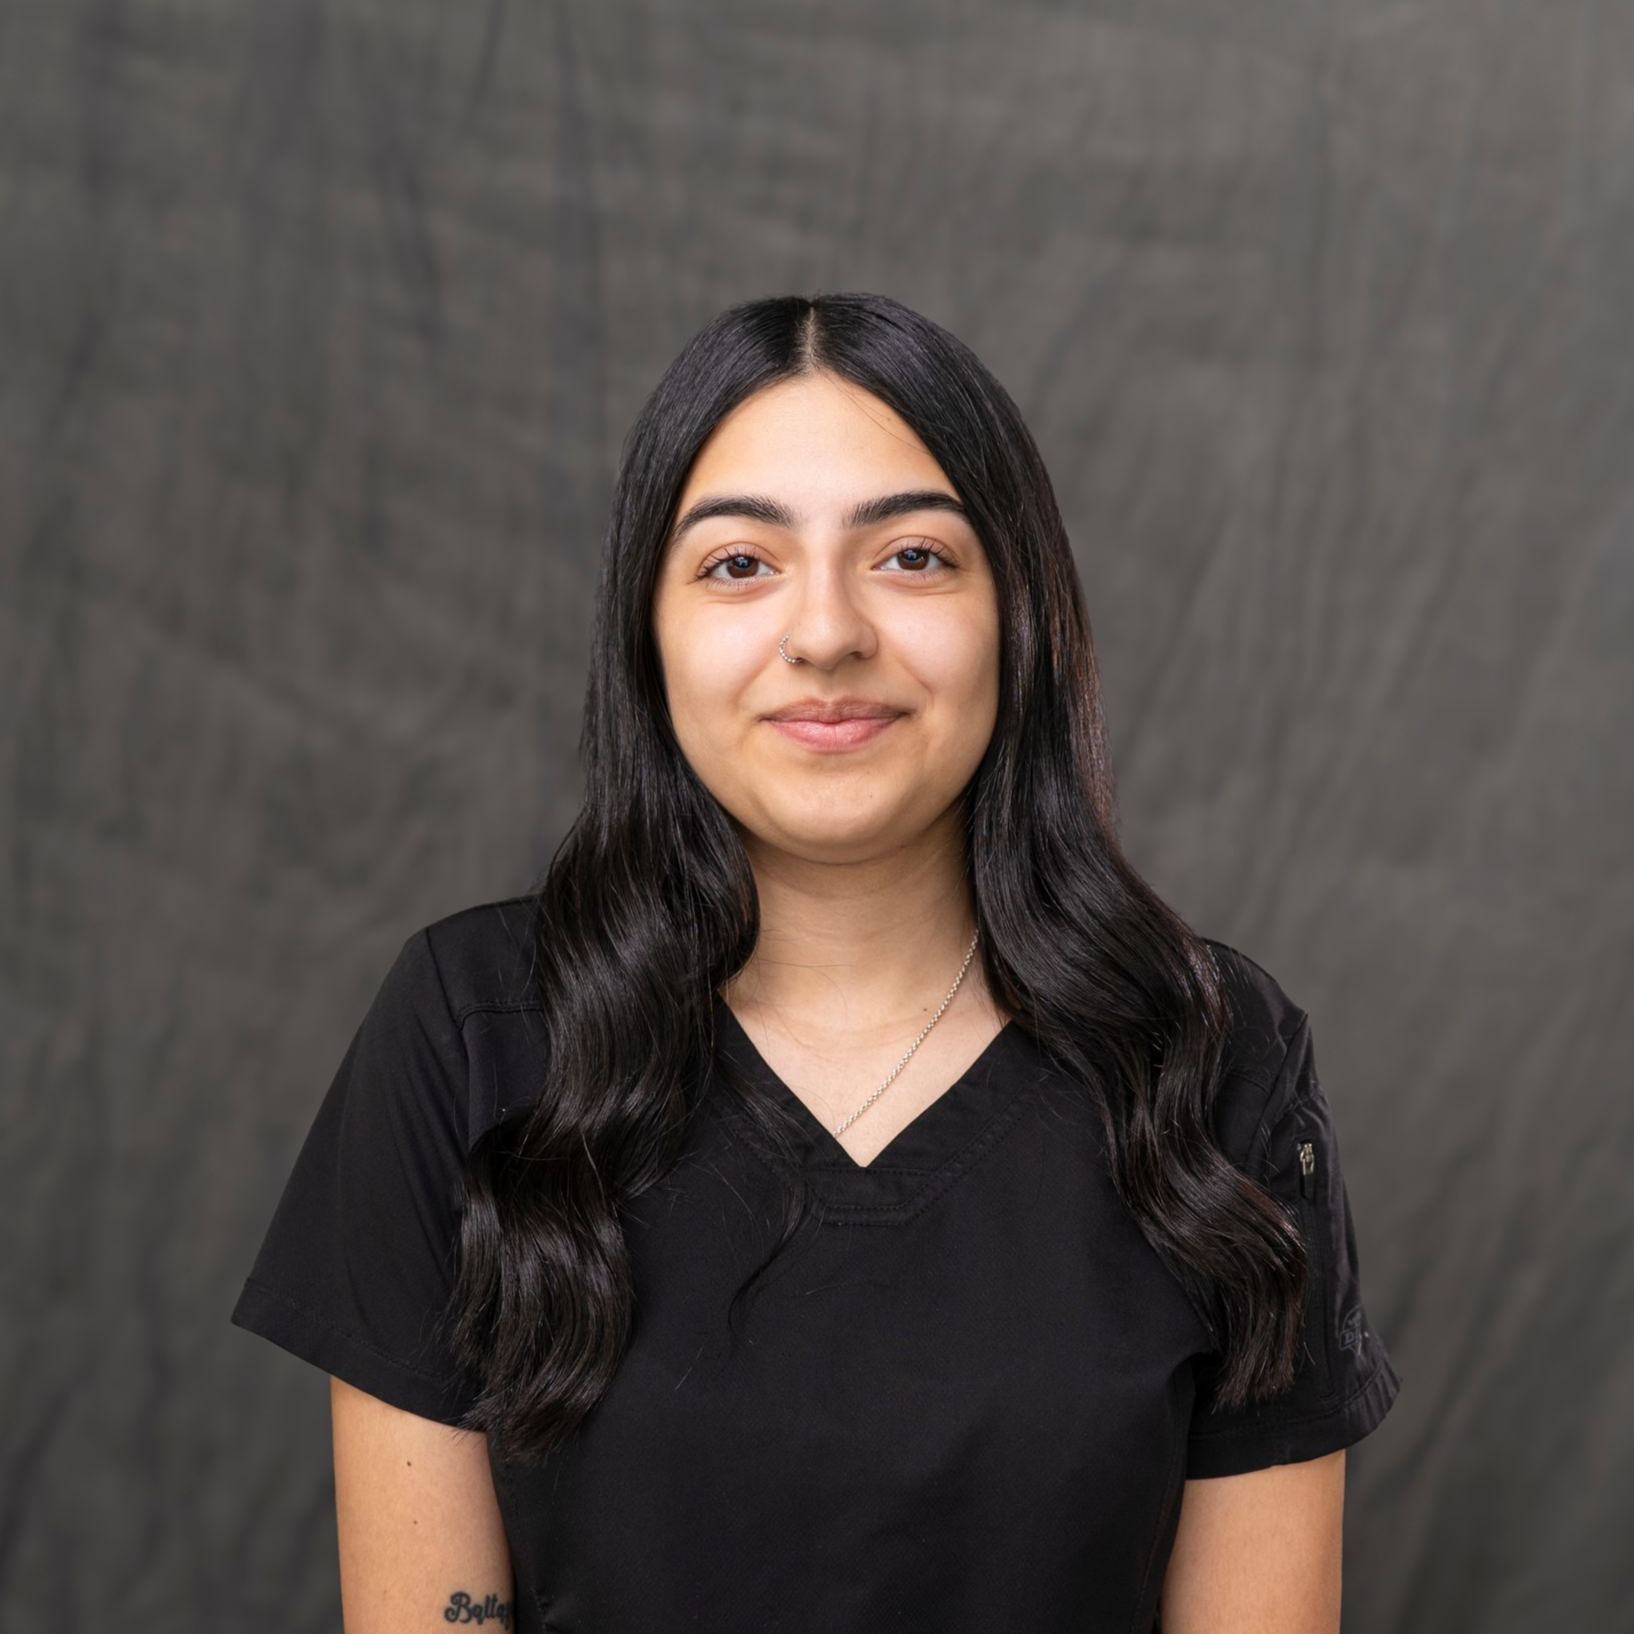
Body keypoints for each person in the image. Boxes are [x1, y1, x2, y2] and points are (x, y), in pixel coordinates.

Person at [230, 291, 1402, 1633]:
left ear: (1018, 616)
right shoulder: (474, 1033)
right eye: (738, 564)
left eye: (911, 557)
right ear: (646, 634)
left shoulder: (1212, 1056)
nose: (827, 632)